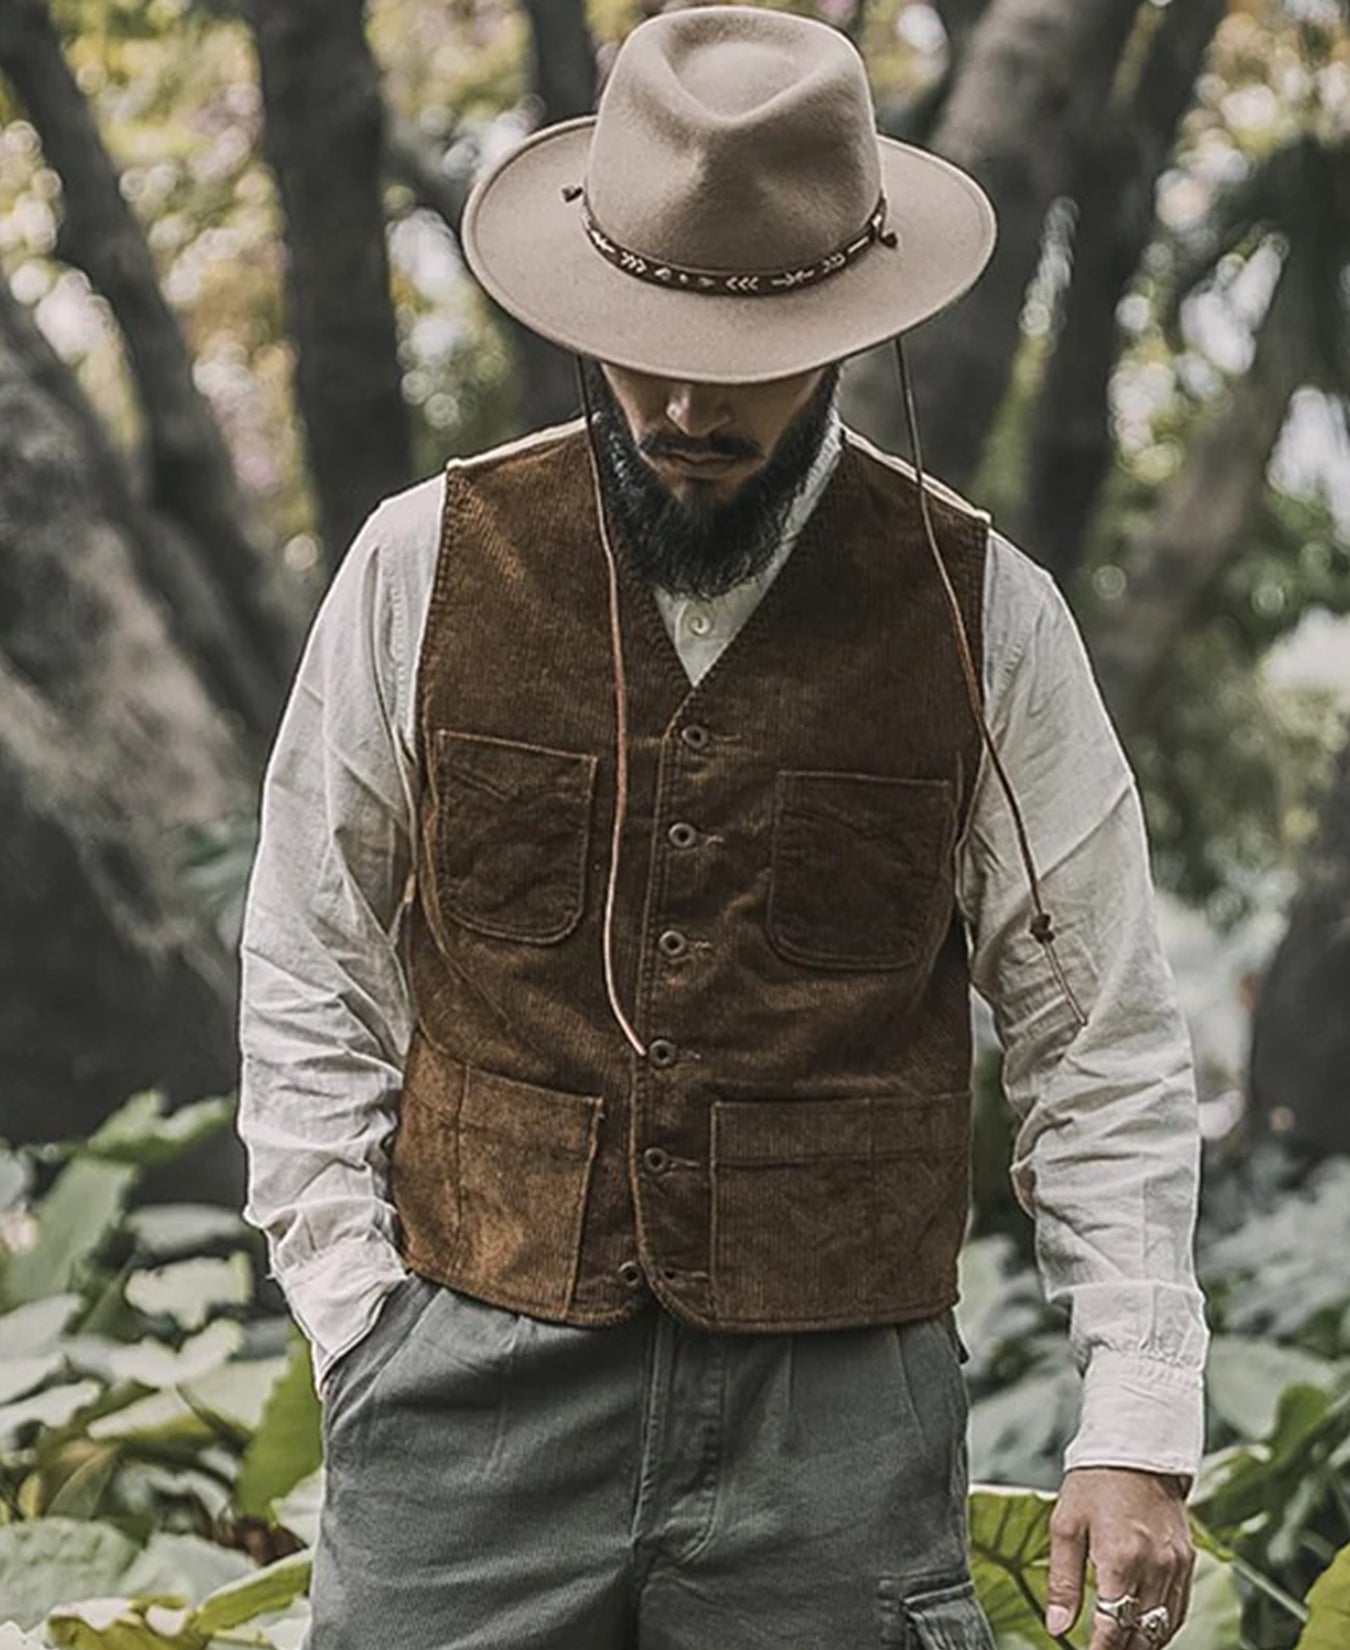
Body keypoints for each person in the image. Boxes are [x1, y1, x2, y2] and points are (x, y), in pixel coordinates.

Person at [236, 7, 1208, 1648]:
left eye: (745, 360)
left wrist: (1135, 1422)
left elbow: (1097, 1029)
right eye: (643, 342)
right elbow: (308, 960)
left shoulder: (989, 617)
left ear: (844, 329)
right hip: (462, 1388)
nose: (687, 403)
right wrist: (360, 1319)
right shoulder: (420, 565)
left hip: (832, 1418)